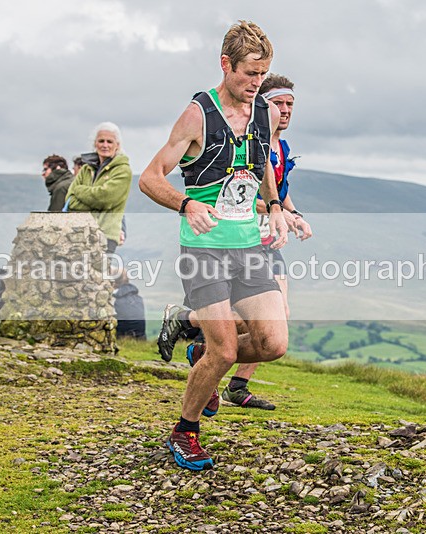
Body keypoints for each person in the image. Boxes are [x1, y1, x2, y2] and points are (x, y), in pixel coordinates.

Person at [139, 20, 289, 471]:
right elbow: (150, 178)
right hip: (203, 251)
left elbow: (262, 165)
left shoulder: (265, 113)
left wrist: (275, 206)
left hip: (249, 248)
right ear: (226, 65)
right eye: (249, 73)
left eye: (262, 74)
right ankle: (185, 431)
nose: (256, 83)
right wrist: (186, 205)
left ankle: (201, 354)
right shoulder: (198, 115)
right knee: (226, 350)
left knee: (273, 343)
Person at [158, 73, 313, 411]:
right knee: (230, 336)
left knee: (273, 326)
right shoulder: (219, 123)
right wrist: (188, 205)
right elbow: (238, 194)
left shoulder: (279, 144)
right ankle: (205, 361)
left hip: (259, 241)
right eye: (278, 103)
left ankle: (213, 359)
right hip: (220, 242)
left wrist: (287, 212)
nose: (285, 110)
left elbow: (272, 185)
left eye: (290, 104)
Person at [64, 122, 132, 254]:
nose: (105, 145)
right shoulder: (86, 169)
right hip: (79, 234)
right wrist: (94, 201)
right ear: (95, 143)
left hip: (105, 236)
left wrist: (79, 190)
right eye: (101, 141)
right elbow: (70, 199)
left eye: (109, 141)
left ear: (117, 145)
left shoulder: (123, 170)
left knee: (99, 269)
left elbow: (104, 199)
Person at [113, 269, 146, 339]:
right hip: (141, 338)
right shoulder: (138, 298)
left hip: (122, 337)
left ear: (114, 281)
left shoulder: (114, 299)